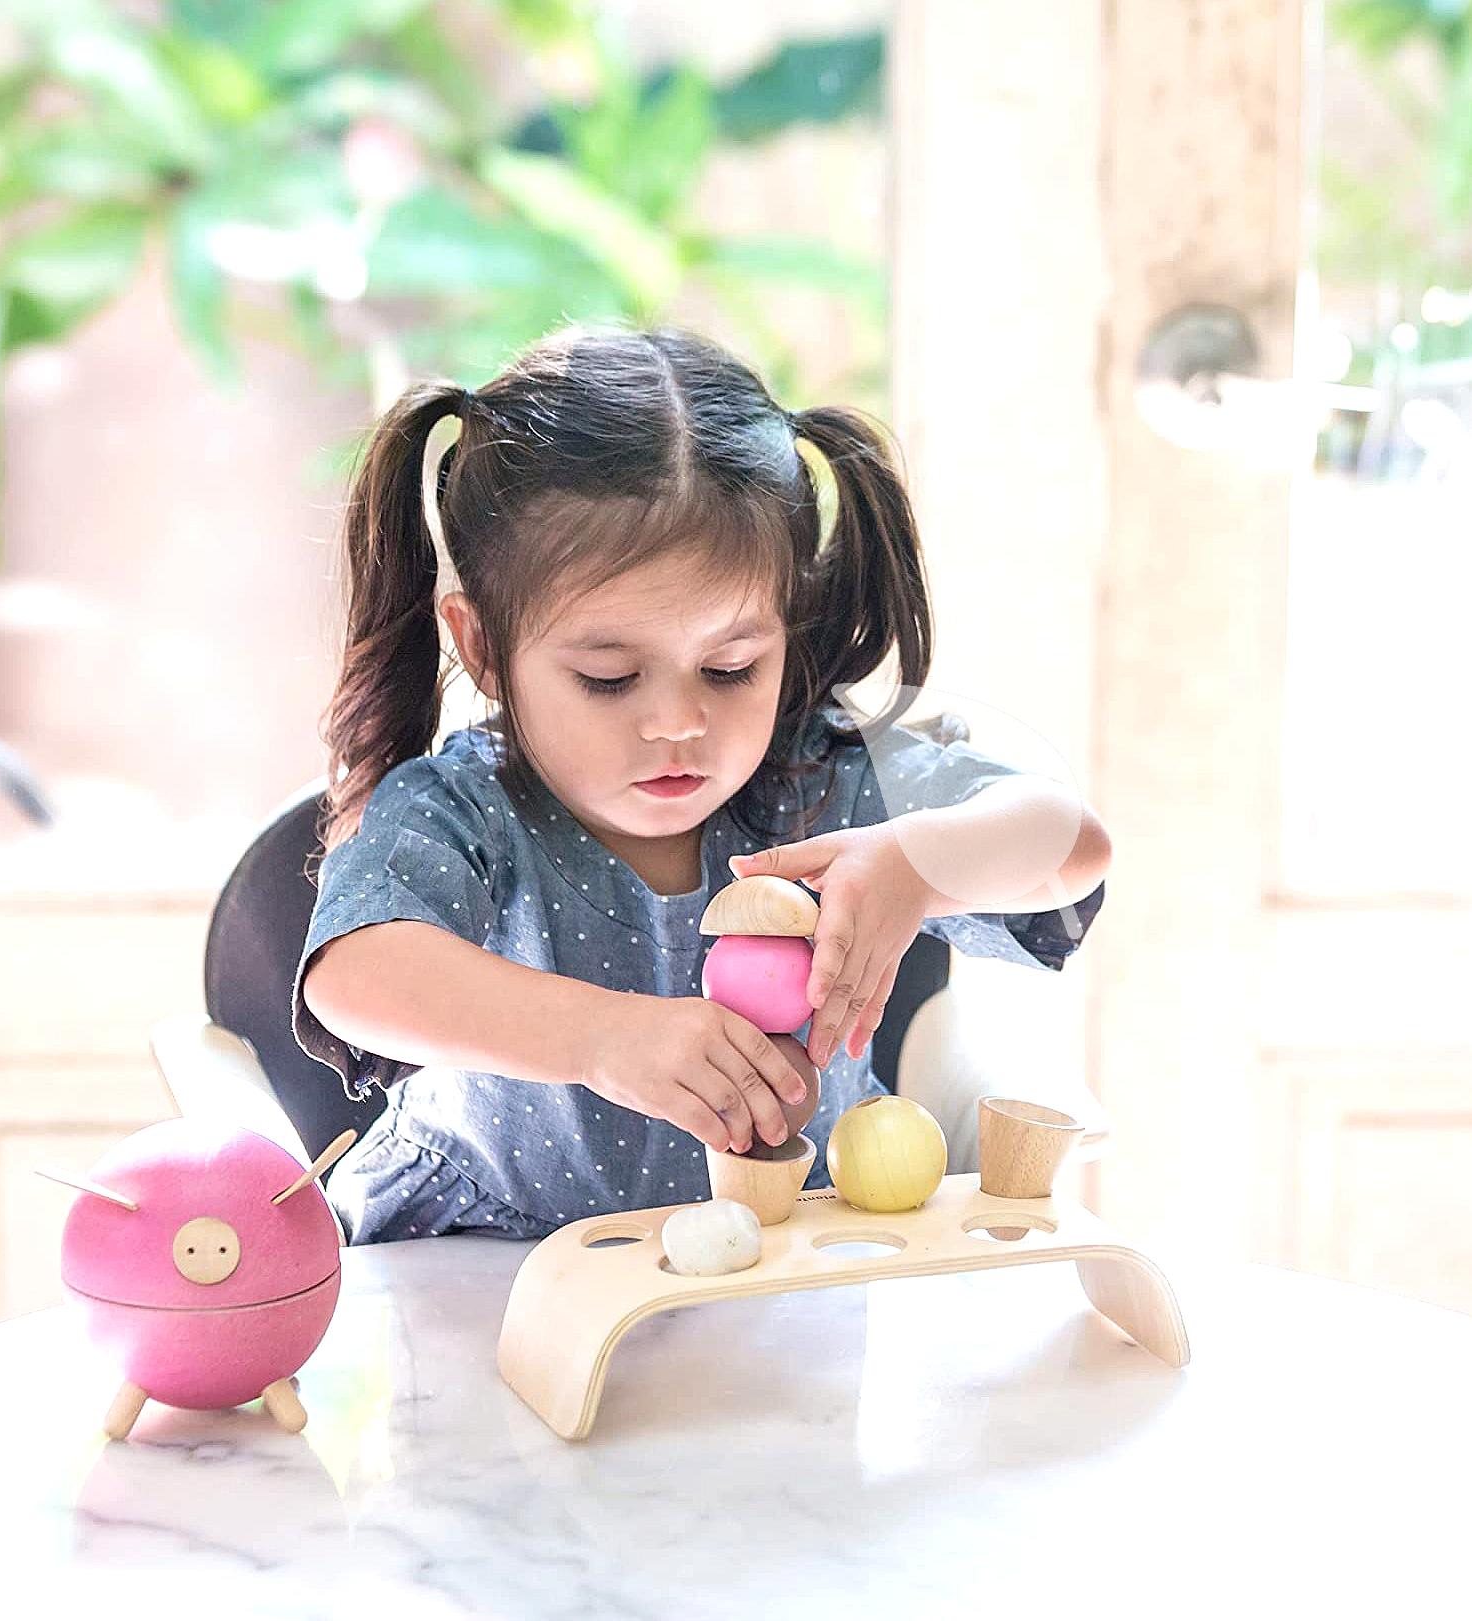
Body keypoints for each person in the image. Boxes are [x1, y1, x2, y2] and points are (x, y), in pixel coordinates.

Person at [293, 324, 1111, 1243]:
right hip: (495, 1258)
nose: (677, 723)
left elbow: (1071, 845)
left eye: (730, 668)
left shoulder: (821, 783)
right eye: (608, 677)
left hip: (792, 1261)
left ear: (786, 630)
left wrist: (922, 862)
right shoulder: (469, 811)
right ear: (482, 645)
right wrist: (605, 1036)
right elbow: (355, 973)